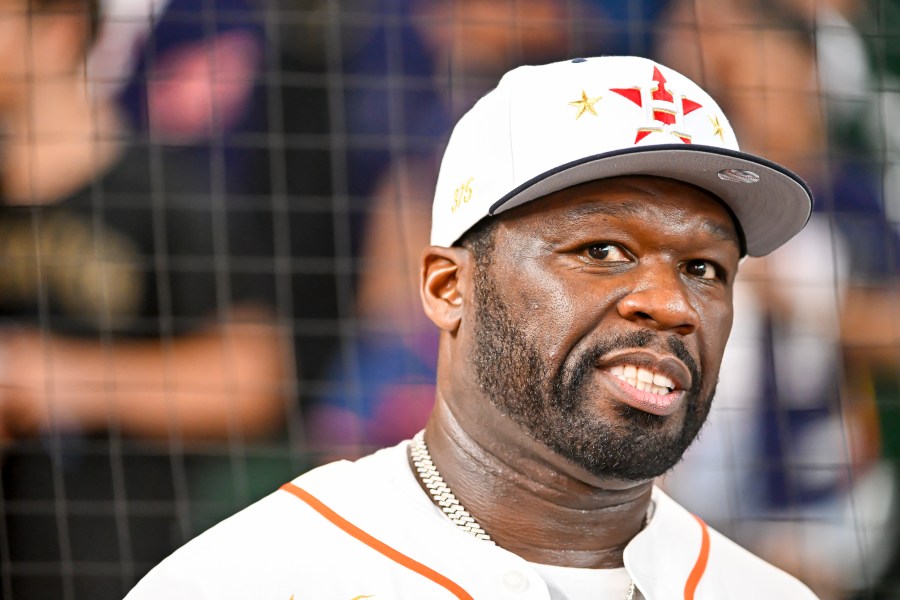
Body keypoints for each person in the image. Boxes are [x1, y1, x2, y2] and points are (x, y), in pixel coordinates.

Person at [125, 55, 820, 599]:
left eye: (704, 268)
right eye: (602, 252)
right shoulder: (245, 581)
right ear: (448, 287)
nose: (671, 304)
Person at [0, 0, 288, 595]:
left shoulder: (169, 196)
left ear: (58, 31)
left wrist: (54, 376)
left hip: (126, 564)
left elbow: (253, 379)